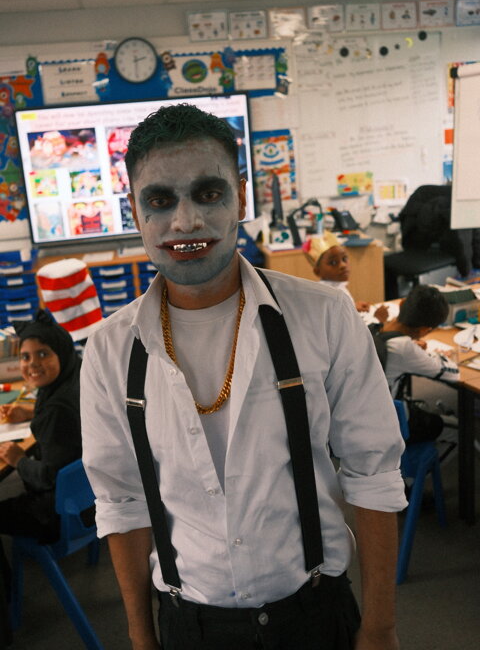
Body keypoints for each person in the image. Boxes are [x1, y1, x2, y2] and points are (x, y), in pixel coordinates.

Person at [81, 103, 407, 650]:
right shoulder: (111, 350)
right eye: (160, 201)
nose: (185, 222)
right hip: (190, 626)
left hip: (315, 614)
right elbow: (121, 502)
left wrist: (380, 627)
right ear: (135, 212)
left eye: (208, 193)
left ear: (240, 196)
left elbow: (373, 473)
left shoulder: (324, 316)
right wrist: (141, 636)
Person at [0, 310, 82, 542]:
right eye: (25, 357)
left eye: (43, 354)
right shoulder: (74, 377)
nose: (33, 364)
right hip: (87, 495)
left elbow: (49, 476)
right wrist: (29, 412)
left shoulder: (57, 410)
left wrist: (18, 459)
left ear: (61, 353)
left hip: (59, 512)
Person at [374, 284, 459, 442]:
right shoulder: (403, 347)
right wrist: (434, 354)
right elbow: (453, 374)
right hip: (391, 425)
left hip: (367, 411)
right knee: (460, 430)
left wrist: (413, 348)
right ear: (425, 330)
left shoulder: (375, 328)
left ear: (401, 304)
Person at [303, 232, 388, 323]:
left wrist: (353, 307)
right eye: (333, 262)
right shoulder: (328, 296)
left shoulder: (337, 287)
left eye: (344, 259)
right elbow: (348, 329)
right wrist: (378, 320)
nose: (343, 265)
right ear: (317, 271)